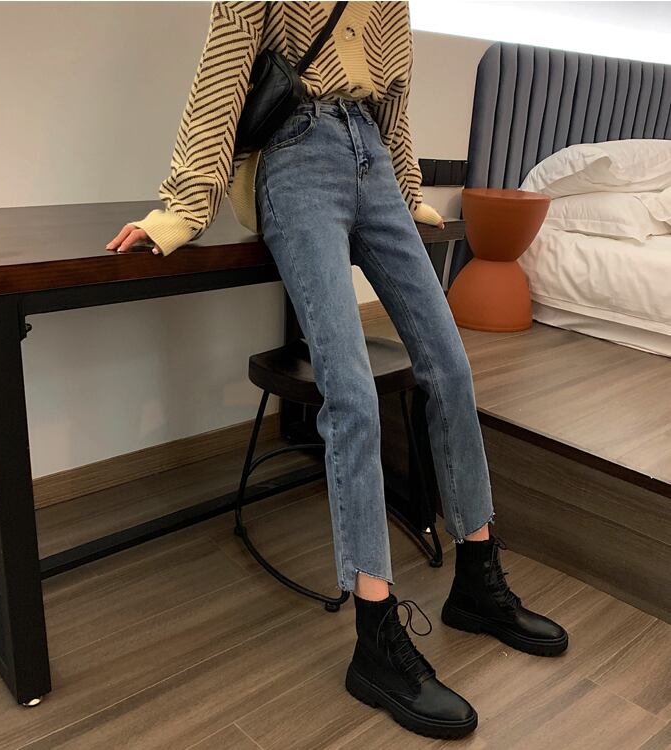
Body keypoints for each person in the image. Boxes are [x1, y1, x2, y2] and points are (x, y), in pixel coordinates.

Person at [107, 1, 568, 739]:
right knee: (350, 391)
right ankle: (375, 638)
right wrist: (183, 208)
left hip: (372, 159)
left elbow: (395, 97)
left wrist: (407, 193)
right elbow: (224, 70)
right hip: (295, 158)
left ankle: (477, 581)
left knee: (450, 369)